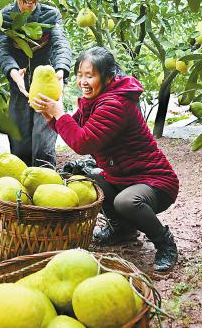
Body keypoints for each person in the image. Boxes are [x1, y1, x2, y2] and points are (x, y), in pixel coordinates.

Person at [31, 46, 180, 272]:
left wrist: (59, 114)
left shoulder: (115, 104)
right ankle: (123, 229)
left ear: (109, 77)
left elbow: (83, 143)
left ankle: (165, 243)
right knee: (87, 179)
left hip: (155, 182)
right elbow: (76, 129)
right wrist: (51, 117)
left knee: (126, 202)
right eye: (80, 75)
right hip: (121, 176)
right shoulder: (93, 101)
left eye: (90, 75)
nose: (83, 81)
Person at [0, 0, 73, 167]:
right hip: (18, 86)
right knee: (19, 145)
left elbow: (60, 44)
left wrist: (61, 70)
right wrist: (13, 72)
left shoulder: (50, 14)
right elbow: (2, 50)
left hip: (45, 87)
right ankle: (22, 190)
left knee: (43, 146)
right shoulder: (3, 17)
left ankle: (46, 186)